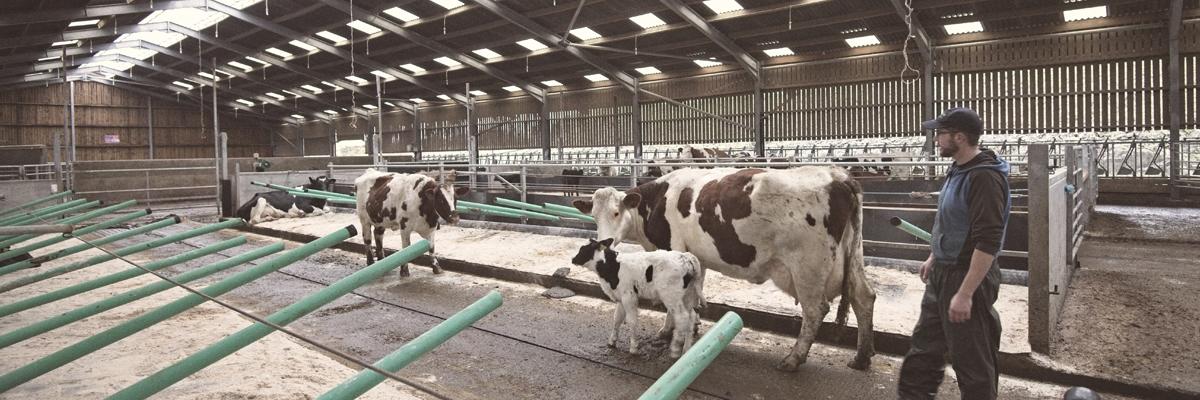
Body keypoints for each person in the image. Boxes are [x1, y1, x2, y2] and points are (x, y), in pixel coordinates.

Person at [898, 107, 1011, 400]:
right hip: (943, 273)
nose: (936, 139)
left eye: (941, 133)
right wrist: (935, 255)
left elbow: (988, 241)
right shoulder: (959, 169)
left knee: (972, 361)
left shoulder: (984, 178)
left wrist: (966, 293)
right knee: (923, 350)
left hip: (965, 276)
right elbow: (951, 220)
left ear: (959, 137)